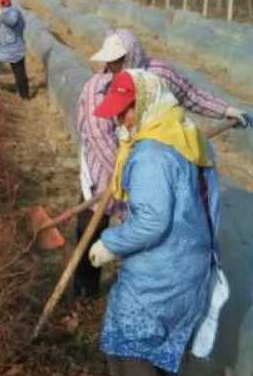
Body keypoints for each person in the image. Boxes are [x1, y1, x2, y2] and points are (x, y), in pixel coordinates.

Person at [88, 69, 221, 376]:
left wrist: (109, 244)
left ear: (143, 104)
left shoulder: (149, 155)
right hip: (192, 261)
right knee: (160, 341)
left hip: (162, 266)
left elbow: (151, 222)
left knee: (123, 342)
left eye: (124, 111)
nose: (118, 120)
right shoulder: (186, 135)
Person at [73, 27, 249, 297]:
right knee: (91, 230)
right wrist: (130, 175)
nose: (111, 66)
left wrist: (227, 110)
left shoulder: (160, 74)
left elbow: (191, 96)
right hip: (105, 172)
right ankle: (83, 295)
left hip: (153, 168)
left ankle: (137, 285)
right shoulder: (97, 88)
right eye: (109, 61)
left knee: (149, 231)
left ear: (133, 55)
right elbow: (99, 138)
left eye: (117, 60)